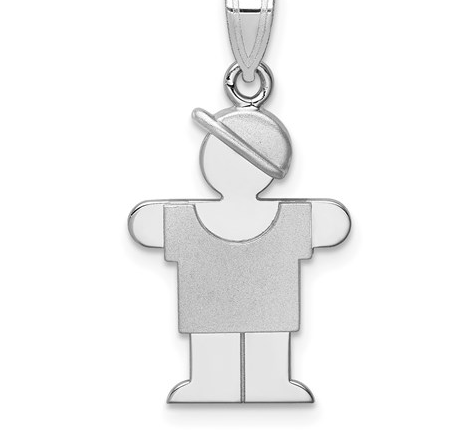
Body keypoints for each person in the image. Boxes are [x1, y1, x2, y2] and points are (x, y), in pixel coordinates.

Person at [128, 106, 351, 403]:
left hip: (266, 307)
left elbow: (334, 224)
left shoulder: (288, 220)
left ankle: (268, 384)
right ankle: (211, 384)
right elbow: (145, 226)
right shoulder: (191, 220)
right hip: (212, 307)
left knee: (266, 348)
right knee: (213, 349)